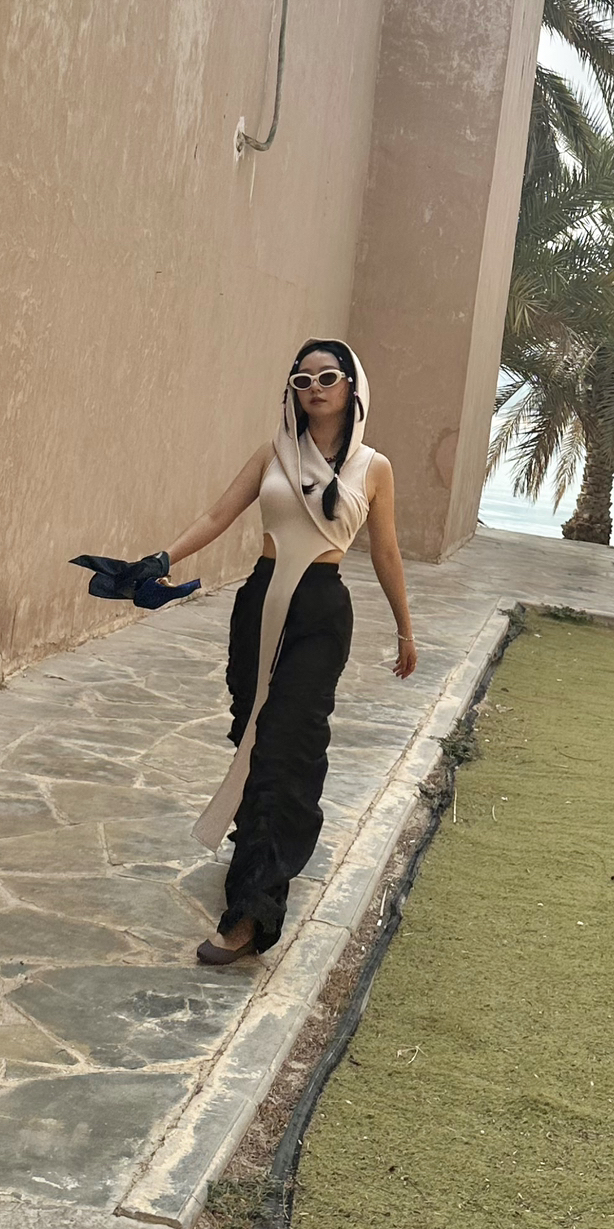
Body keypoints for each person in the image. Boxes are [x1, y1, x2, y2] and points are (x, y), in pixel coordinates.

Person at [157, 340, 417, 965]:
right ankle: (255, 855)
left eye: (328, 377)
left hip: (319, 615)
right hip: (260, 603)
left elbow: (385, 551)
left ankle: (251, 912)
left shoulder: (374, 467)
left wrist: (406, 630)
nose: (315, 387)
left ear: (352, 387)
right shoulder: (272, 452)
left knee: (287, 752)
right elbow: (217, 514)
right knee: (250, 736)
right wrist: (161, 559)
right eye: (303, 379)